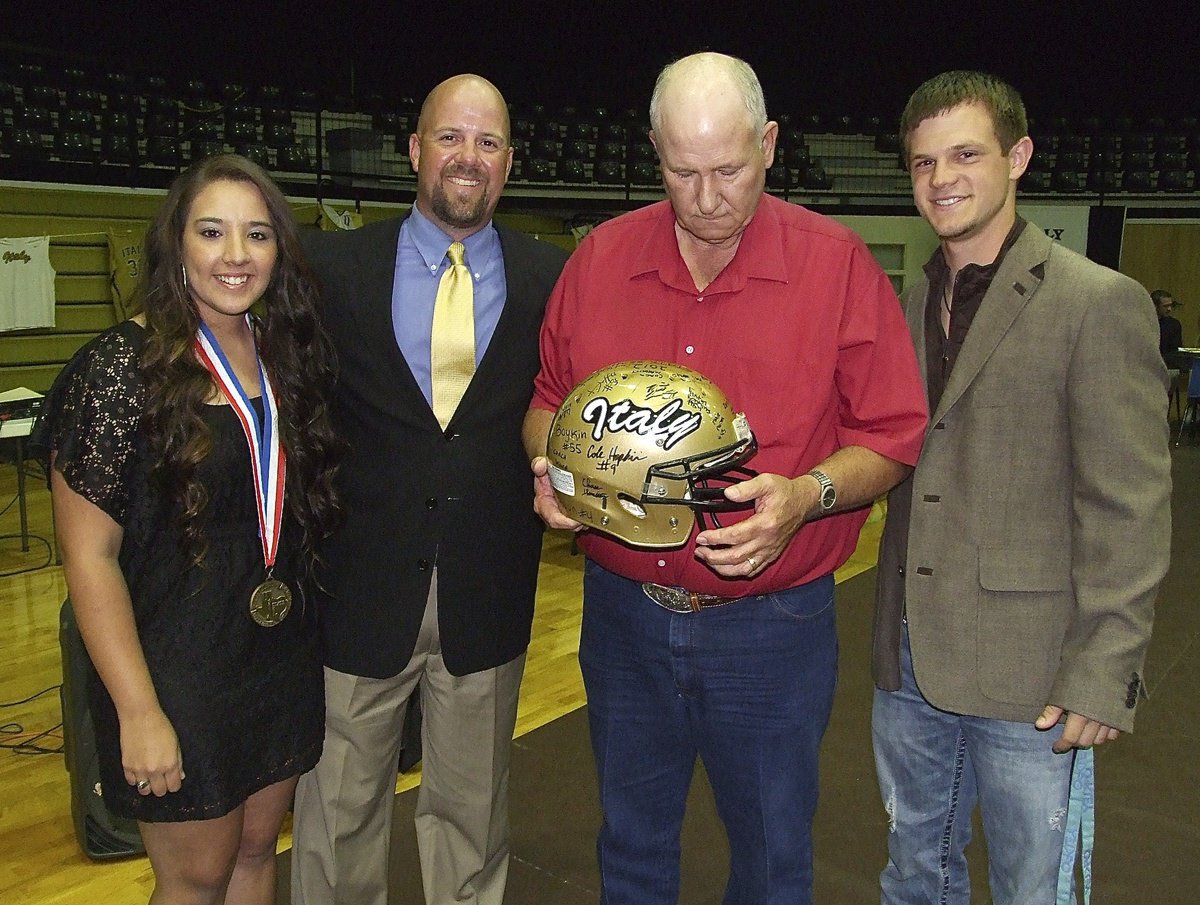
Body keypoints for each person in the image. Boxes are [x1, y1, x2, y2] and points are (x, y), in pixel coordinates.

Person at [523, 52, 928, 904]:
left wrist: (804, 497)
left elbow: (891, 435)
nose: (707, 198)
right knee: (630, 849)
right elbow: (550, 402)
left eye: (730, 170)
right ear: (654, 154)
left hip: (773, 630)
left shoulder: (838, 265)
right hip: (624, 620)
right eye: (682, 172)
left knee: (773, 859)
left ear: (771, 144)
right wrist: (551, 467)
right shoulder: (598, 260)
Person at [871, 71, 1171, 904]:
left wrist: (1104, 669)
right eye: (924, 162)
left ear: (1020, 157)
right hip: (907, 665)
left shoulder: (1098, 302)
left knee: (1032, 891)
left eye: (965, 154)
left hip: (1032, 679)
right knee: (911, 880)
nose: (942, 179)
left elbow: (1130, 506)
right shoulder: (907, 300)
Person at [31, 154, 341, 904]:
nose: (236, 255)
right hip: (176, 672)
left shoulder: (284, 356)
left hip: (274, 655)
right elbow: (90, 558)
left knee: (257, 855)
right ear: (176, 245)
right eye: (213, 231)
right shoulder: (115, 369)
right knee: (196, 877)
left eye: (257, 234)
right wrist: (139, 712)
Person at [289, 74, 569, 905]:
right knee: (337, 817)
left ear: (509, 164)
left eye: (487, 143)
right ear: (415, 149)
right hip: (357, 592)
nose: (467, 158)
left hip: (488, 592)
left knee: (472, 818)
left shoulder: (554, 277)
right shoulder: (331, 266)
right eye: (451, 137)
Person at [1153, 288, 1183, 371]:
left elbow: (1175, 351)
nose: (1169, 309)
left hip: (1168, 367)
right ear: (1155, 306)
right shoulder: (1145, 323)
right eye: (1165, 306)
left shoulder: (1174, 324)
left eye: (1171, 305)